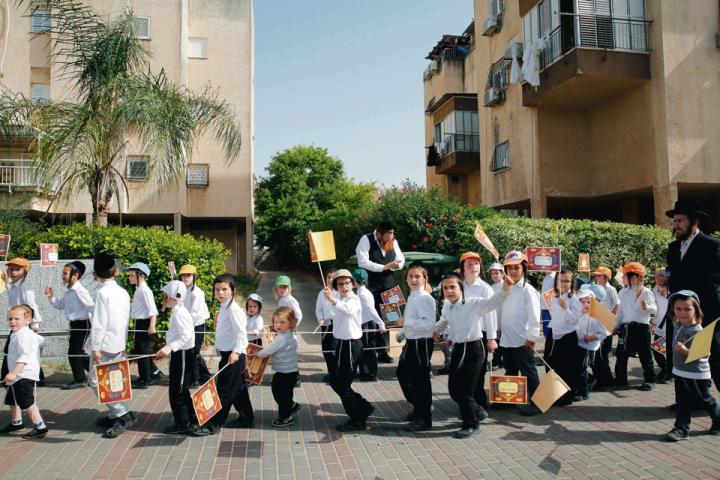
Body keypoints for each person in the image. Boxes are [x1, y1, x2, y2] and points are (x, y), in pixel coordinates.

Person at [434, 272, 511, 438]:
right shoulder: (447, 305)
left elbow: (493, 302)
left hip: (474, 349)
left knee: (465, 390)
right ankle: (477, 411)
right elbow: (444, 321)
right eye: (445, 288)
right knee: (453, 389)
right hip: (458, 349)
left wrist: (506, 288)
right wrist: (435, 330)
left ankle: (471, 424)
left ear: (461, 287)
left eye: (452, 287)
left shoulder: (473, 303)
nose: (449, 291)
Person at [664, 200, 720, 392]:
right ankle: (687, 402)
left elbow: (715, 280)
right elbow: (673, 273)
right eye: (675, 221)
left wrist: (694, 304)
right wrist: (665, 278)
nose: (676, 224)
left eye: (680, 221)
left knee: (714, 359)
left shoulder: (711, 245)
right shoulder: (673, 248)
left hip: (706, 313)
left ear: (694, 222)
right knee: (680, 358)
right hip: (679, 315)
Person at [192, 274, 253, 436]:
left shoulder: (234, 309)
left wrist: (236, 352)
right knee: (238, 388)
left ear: (233, 290)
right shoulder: (224, 307)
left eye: (225, 289)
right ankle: (247, 418)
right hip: (228, 354)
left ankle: (214, 423)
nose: (220, 293)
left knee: (225, 390)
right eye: (217, 290)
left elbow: (241, 335)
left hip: (234, 356)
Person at [90, 252, 137, 438]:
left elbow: (99, 323)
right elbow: (124, 319)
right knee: (114, 380)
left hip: (104, 345)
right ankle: (114, 413)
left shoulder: (101, 293)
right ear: (115, 271)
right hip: (118, 342)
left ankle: (122, 414)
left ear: (95, 273)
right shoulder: (123, 292)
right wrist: (123, 342)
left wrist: (95, 347)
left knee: (97, 381)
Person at [664, 290, 720, 441]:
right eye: (678, 308)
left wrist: (685, 351)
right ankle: (681, 429)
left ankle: (718, 420)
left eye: (687, 309)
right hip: (680, 371)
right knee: (682, 402)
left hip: (697, 374)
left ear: (696, 311)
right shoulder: (678, 324)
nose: (682, 312)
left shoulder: (697, 330)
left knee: (706, 400)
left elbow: (705, 354)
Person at [324, 269, 374, 432]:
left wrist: (333, 300)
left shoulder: (354, 299)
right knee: (336, 382)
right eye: (340, 284)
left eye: (347, 283)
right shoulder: (339, 298)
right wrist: (330, 298)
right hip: (341, 343)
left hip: (352, 345)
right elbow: (331, 313)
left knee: (343, 385)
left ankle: (357, 419)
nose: (344, 286)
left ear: (353, 284)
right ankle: (363, 406)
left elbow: (348, 310)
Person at [497, 251, 542, 416]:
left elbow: (535, 316)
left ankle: (537, 403)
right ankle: (509, 400)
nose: (513, 271)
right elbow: (501, 310)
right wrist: (498, 329)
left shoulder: (528, 290)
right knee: (510, 369)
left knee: (528, 371)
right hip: (507, 337)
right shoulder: (505, 288)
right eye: (510, 268)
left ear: (524, 269)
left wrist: (532, 336)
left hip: (523, 339)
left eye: (517, 268)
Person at [356, 221, 406, 364]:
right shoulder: (366, 239)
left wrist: (396, 265)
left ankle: (384, 351)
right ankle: (373, 351)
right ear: (378, 233)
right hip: (372, 285)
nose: (391, 237)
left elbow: (401, 258)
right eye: (387, 234)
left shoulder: (393, 241)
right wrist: (383, 267)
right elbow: (362, 262)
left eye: (392, 233)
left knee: (390, 317)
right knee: (373, 317)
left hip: (389, 285)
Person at [396, 264, 436, 431]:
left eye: (417, 276)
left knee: (421, 381)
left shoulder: (425, 298)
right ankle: (420, 407)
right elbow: (411, 319)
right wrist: (402, 333)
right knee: (403, 374)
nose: (413, 279)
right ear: (406, 279)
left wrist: (407, 322)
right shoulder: (413, 296)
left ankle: (424, 418)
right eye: (410, 276)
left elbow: (429, 324)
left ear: (425, 279)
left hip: (422, 343)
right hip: (411, 342)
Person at [155, 280, 197, 434]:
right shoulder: (177, 311)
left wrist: (169, 347)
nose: (164, 298)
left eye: (165, 295)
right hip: (179, 353)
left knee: (178, 390)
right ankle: (191, 418)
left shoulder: (180, 313)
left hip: (183, 354)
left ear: (171, 297)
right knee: (180, 388)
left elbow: (187, 335)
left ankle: (183, 423)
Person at [45, 261, 94, 390]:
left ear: (75, 275)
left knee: (74, 352)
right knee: (77, 351)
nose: (63, 276)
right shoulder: (69, 291)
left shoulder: (80, 291)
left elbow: (92, 307)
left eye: (65, 273)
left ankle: (80, 379)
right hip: (75, 324)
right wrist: (51, 297)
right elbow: (61, 305)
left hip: (83, 324)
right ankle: (95, 371)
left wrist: (98, 324)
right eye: (63, 273)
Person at [1, 305, 47, 439]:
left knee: (27, 402)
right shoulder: (22, 333)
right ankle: (16, 423)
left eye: (17, 319)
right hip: (18, 375)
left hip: (24, 375)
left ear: (28, 320)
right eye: (10, 319)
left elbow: (24, 356)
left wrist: (13, 373)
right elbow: (43, 342)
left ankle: (40, 427)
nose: (13, 321)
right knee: (12, 399)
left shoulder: (23, 335)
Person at [459, 252, 497, 410]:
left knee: (478, 372)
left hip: (480, 336)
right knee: (463, 370)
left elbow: (491, 314)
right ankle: (468, 402)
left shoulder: (485, 288)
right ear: (462, 268)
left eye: (476, 264)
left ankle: (479, 403)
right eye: (469, 264)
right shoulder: (459, 286)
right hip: (463, 335)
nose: (473, 267)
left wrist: (491, 338)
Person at [253, 306, 301, 427]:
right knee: (286, 393)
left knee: (280, 393)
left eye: (282, 322)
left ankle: (286, 417)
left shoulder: (281, 338)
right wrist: (271, 328)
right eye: (276, 322)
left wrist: (258, 354)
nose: (278, 325)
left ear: (291, 323)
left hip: (284, 372)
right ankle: (291, 406)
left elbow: (269, 350)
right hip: (291, 371)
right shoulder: (291, 333)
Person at [614, 262, 657, 391]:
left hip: (641, 328)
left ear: (634, 276)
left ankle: (649, 380)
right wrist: (616, 326)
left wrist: (647, 307)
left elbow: (654, 310)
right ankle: (621, 379)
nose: (622, 277)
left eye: (625, 275)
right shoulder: (623, 292)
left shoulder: (645, 291)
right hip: (626, 328)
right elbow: (620, 312)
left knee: (645, 355)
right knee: (621, 354)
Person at [3, 258, 44, 385]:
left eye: (17, 269)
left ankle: (6, 376)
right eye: (11, 269)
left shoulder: (25, 287)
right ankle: (39, 378)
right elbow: (11, 294)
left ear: (25, 271)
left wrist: (35, 324)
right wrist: (6, 283)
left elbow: (32, 305)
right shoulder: (15, 286)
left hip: (25, 324)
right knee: (17, 350)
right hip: (17, 324)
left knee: (16, 350)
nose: (13, 272)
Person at [125, 262, 162, 389]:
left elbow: (152, 310)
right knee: (140, 350)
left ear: (141, 276)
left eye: (132, 275)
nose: (129, 277)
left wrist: (152, 326)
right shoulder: (139, 289)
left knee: (142, 352)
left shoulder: (145, 290)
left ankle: (145, 379)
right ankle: (154, 373)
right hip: (140, 322)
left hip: (144, 323)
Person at [546, 268, 580, 406]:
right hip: (554, 334)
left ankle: (568, 396)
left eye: (567, 281)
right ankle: (554, 394)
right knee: (551, 365)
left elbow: (574, 320)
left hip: (568, 336)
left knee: (568, 367)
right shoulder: (553, 297)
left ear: (572, 283)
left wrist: (565, 307)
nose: (563, 284)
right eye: (560, 280)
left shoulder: (574, 299)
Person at [574, 286, 610, 402]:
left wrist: (591, 338)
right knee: (579, 368)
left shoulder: (597, 316)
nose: (586, 304)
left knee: (582, 368)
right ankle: (587, 381)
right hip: (579, 344)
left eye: (589, 302)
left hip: (589, 346)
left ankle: (584, 392)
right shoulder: (578, 314)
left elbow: (604, 333)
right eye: (583, 302)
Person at [178, 264, 212, 387]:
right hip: (188, 325)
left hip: (196, 325)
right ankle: (204, 375)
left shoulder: (197, 293)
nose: (186, 278)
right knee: (192, 352)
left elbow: (195, 314)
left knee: (193, 352)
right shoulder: (183, 290)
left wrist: (186, 326)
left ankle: (196, 379)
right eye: (183, 275)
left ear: (194, 277)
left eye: (188, 275)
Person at [353, 268, 387, 382]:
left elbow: (372, 310)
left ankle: (371, 373)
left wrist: (381, 324)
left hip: (367, 323)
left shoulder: (363, 293)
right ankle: (364, 371)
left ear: (355, 280)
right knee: (363, 348)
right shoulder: (361, 291)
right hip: (363, 323)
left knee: (369, 349)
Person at [589, 266, 619, 390]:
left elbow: (617, 304)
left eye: (600, 275)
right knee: (597, 355)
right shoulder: (594, 288)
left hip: (606, 323)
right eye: (596, 275)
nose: (597, 277)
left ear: (606, 277)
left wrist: (611, 318)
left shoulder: (611, 289)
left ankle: (607, 381)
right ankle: (602, 380)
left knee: (603, 354)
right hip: (596, 323)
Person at [315, 268, 338, 382]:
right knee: (326, 350)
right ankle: (332, 373)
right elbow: (318, 309)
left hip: (337, 325)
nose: (330, 279)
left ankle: (336, 375)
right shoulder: (321, 293)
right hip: (325, 324)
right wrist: (320, 319)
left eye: (333, 277)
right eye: (329, 277)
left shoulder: (339, 293)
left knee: (333, 350)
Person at [651, 268, 669, 381]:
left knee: (665, 349)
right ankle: (666, 369)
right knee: (656, 349)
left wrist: (665, 293)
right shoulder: (654, 290)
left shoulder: (672, 290)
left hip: (670, 326)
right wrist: (652, 320)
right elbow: (654, 307)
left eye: (662, 276)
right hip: (659, 325)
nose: (660, 278)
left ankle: (667, 371)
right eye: (658, 276)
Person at [487, 262, 505, 369]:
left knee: (501, 339)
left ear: (502, 274)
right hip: (494, 316)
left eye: (497, 273)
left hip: (502, 316)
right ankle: (497, 360)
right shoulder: (491, 287)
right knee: (496, 339)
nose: (494, 275)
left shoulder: (505, 286)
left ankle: (497, 361)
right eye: (492, 273)